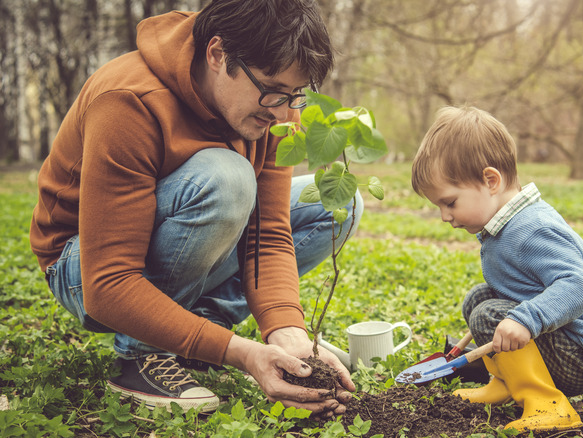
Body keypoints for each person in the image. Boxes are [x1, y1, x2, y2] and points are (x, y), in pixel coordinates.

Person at [29, 0, 360, 416]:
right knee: (228, 178)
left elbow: (268, 233)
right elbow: (108, 282)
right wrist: (242, 354)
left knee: (338, 200)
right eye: (274, 91)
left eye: (296, 94)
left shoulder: (278, 108)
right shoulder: (128, 101)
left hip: (175, 243)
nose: (284, 112)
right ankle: (141, 354)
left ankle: (200, 330)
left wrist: (286, 331)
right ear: (218, 55)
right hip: (84, 268)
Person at [410, 106, 583, 432]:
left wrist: (525, 319)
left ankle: (547, 403)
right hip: (557, 342)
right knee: (479, 300)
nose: (444, 217)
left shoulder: (531, 228)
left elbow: (579, 284)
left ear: (490, 180)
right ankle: (506, 383)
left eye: (449, 202)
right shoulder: (505, 224)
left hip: (580, 357)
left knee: (489, 315)